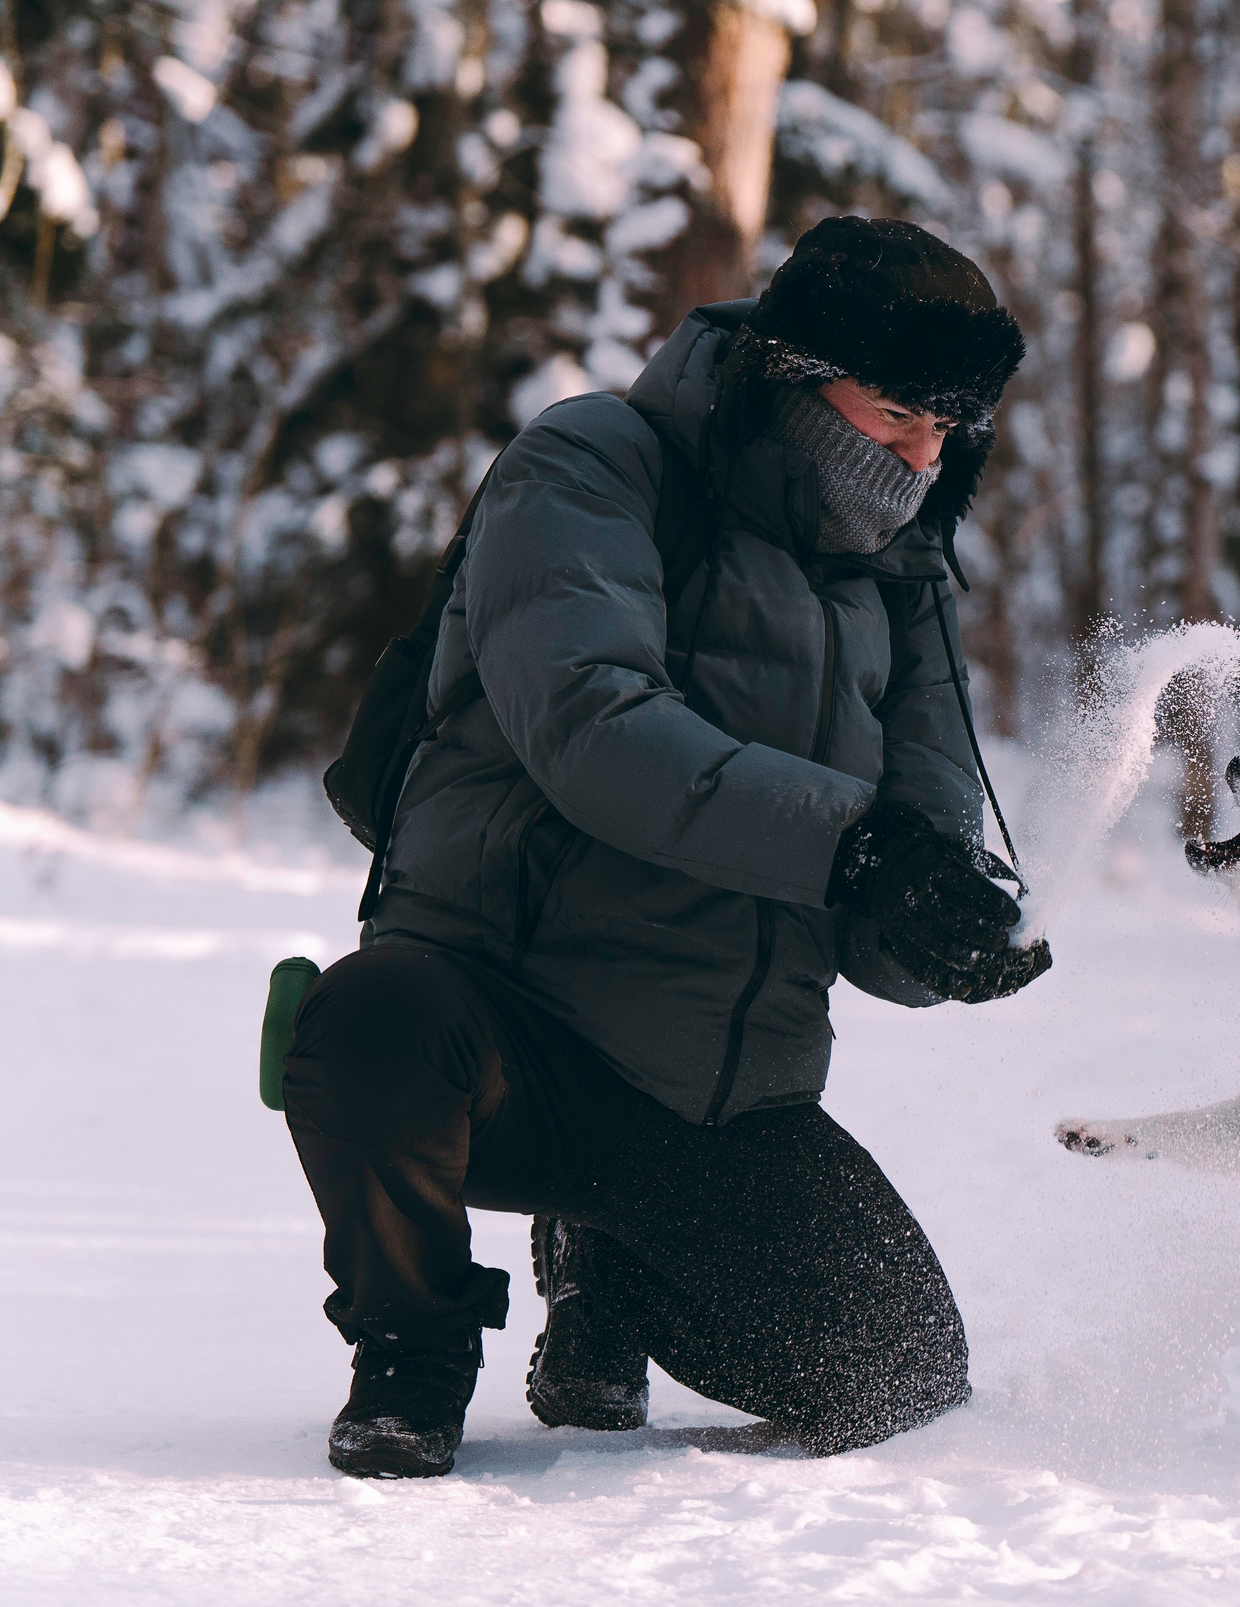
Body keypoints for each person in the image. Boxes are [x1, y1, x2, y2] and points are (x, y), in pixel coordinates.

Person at [281, 217, 1052, 1480]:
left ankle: (606, 1268)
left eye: (949, 427)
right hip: (504, 1032)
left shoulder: (902, 579)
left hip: (711, 1091)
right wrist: (861, 851)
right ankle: (410, 1351)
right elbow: (593, 728)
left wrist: (942, 929)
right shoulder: (592, 465)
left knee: (894, 1371)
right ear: (794, 376)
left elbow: (895, 877)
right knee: (371, 1021)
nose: (925, 456)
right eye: (899, 412)